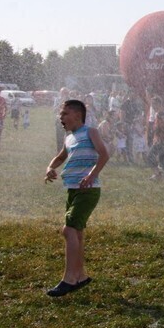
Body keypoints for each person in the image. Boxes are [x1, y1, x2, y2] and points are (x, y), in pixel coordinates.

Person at [44, 99, 109, 297]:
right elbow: (61, 156)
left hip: (87, 191)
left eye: (64, 114)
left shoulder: (91, 132)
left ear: (77, 115)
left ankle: (68, 279)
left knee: (68, 229)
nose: (60, 118)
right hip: (72, 190)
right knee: (77, 233)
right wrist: (50, 168)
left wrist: (92, 175)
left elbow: (104, 154)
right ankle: (80, 276)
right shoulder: (69, 138)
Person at [147, 96, 164, 180]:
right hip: (163, 140)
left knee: (150, 156)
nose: (153, 106)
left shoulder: (160, 114)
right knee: (163, 158)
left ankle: (157, 174)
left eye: (154, 104)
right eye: (152, 104)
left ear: (159, 104)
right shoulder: (160, 114)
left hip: (161, 141)